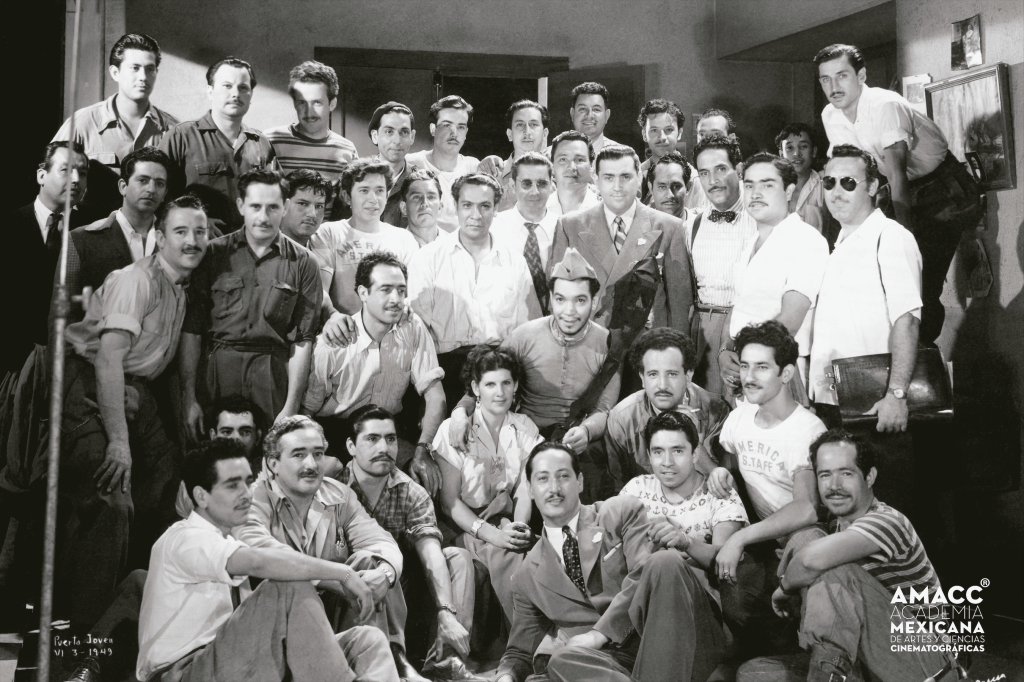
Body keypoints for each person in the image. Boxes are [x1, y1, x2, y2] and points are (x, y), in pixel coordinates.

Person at [58, 195, 208, 640]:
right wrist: (119, 442)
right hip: (88, 385)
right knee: (113, 497)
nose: (192, 240)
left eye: (200, 232)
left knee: (169, 486)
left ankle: (141, 610)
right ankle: (86, 633)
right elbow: (108, 361)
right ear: (159, 237)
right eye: (180, 231)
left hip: (136, 392)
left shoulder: (179, 286)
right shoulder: (135, 280)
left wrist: (186, 401)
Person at [137, 437, 398, 682]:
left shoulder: (226, 541)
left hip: (234, 659)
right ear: (201, 496)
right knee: (288, 585)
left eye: (247, 482)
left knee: (367, 642)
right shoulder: (184, 537)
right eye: (232, 485)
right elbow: (260, 562)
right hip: (184, 672)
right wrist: (343, 574)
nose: (246, 494)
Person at [493, 442, 725, 682]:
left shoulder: (620, 511)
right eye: (543, 479)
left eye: (563, 476)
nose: (554, 488)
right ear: (530, 489)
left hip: (670, 637)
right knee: (562, 660)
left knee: (664, 561)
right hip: (614, 664)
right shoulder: (525, 576)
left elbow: (645, 575)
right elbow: (519, 651)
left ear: (580, 481)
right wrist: (505, 677)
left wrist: (599, 634)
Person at [737, 429, 954, 682]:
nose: (834, 486)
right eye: (825, 475)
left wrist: (784, 589)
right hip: (866, 664)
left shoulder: (888, 522)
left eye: (846, 473)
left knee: (830, 566)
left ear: (869, 477)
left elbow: (810, 561)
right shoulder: (836, 527)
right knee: (752, 675)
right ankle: (834, 672)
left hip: (926, 665)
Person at [815, 43, 982, 346]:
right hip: (898, 190)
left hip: (942, 188)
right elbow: (852, 174)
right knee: (882, 280)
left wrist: (904, 243)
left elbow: (897, 176)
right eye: (825, 79)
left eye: (841, 76)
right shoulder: (831, 115)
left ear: (861, 76)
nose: (833, 86)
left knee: (919, 283)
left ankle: (921, 356)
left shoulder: (885, 106)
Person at [238, 416, 411, 680]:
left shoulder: (339, 494)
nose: (311, 464)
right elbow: (259, 551)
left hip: (333, 616)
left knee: (371, 561)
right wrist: (338, 576)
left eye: (317, 454)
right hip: (277, 627)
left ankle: (390, 661)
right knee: (296, 584)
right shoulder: (253, 498)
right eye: (298, 455)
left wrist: (385, 574)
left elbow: (381, 541)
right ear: (273, 464)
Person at [447, 248, 621, 502]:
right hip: (523, 438)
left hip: (579, 442)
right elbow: (487, 377)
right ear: (550, 299)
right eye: (560, 299)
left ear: (594, 302)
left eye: (580, 301)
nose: (569, 311)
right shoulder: (524, 336)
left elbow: (604, 410)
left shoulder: (609, 345)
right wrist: (459, 412)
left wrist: (586, 431)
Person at [339, 405, 486, 682]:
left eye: (390, 439)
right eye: (372, 439)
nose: (384, 448)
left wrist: (446, 612)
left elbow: (430, 553)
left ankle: (445, 663)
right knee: (371, 561)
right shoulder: (335, 486)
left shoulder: (411, 492)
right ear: (351, 446)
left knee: (456, 557)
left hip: (402, 589)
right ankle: (389, 664)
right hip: (350, 591)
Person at [707, 320, 827, 656]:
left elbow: (807, 509)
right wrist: (721, 472)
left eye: (761, 367)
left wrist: (740, 538)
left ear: (786, 373)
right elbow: (725, 462)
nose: (749, 377)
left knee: (805, 546)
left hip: (807, 534)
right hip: (764, 538)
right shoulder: (740, 418)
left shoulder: (806, 429)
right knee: (737, 601)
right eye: (745, 366)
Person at [181, 169, 321, 439]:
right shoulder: (212, 254)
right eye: (256, 206)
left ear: (285, 207)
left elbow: (303, 340)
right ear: (241, 206)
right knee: (213, 453)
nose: (263, 217)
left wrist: (291, 406)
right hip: (216, 373)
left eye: (272, 207)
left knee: (270, 453)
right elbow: (192, 330)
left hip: (271, 375)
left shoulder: (304, 263)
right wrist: (189, 397)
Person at [302, 250, 444, 494]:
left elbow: (436, 397)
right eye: (385, 289)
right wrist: (317, 454)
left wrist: (423, 450)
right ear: (363, 293)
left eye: (401, 290)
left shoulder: (412, 327)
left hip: (388, 432)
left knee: (426, 480)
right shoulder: (333, 341)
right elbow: (305, 412)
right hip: (337, 433)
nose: (396, 299)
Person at [808, 145, 922, 433]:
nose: (836, 192)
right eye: (829, 182)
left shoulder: (890, 237)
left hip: (874, 401)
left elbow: (907, 320)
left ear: (872, 187)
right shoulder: (837, 244)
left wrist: (896, 395)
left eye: (848, 183)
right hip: (831, 398)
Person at [431, 345, 542, 624]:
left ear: (515, 386)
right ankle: (524, 636)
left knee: (535, 551)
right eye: (490, 384)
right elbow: (449, 502)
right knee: (507, 555)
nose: (500, 392)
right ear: (475, 388)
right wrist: (493, 535)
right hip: (462, 525)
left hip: (505, 519)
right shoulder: (452, 429)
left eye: (506, 383)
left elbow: (524, 488)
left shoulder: (523, 427)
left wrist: (519, 526)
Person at [408, 173, 531, 410]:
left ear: (496, 209)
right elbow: (417, 332)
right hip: (443, 372)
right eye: (467, 205)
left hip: (498, 371)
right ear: (455, 206)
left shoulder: (515, 262)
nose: (476, 215)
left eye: (485, 206)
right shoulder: (427, 258)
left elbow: (526, 330)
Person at [719, 154, 829, 401]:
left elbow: (789, 322)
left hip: (782, 371)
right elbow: (739, 307)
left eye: (767, 185)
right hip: (744, 373)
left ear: (789, 191)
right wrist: (724, 350)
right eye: (749, 185)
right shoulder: (750, 244)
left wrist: (748, 363)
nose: (756, 194)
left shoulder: (807, 240)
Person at [549, 144, 692, 331]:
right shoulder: (569, 226)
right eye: (609, 177)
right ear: (596, 180)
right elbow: (557, 301)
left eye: (625, 177)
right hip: (588, 340)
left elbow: (680, 308)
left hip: (648, 343)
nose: (617, 187)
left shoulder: (669, 227)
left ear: (639, 177)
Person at [619, 411, 747, 608]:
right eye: (658, 452)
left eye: (677, 451)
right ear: (649, 456)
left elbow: (723, 563)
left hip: (696, 603)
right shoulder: (636, 489)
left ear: (694, 454)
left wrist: (685, 542)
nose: (667, 461)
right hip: (639, 596)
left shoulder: (719, 494)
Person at [53, 34, 178, 222]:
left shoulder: (173, 131)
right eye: (135, 68)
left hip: (152, 235)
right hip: (91, 233)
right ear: (115, 72)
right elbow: (52, 185)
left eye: (150, 69)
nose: (143, 77)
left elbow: (178, 195)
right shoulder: (82, 124)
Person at [605, 327, 731, 491]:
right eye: (653, 374)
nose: (662, 385)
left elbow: (725, 489)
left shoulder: (716, 411)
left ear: (688, 376)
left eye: (672, 374)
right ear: (642, 378)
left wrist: (694, 442)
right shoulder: (621, 419)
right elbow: (617, 492)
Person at [159, 56, 277, 231]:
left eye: (243, 87)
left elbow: (275, 196)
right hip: (199, 243)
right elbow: (159, 196)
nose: (235, 94)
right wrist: (195, 221)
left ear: (251, 95)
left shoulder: (261, 143)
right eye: (227, 86)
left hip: (251, 243)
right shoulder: (181, 137)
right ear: (210, 91)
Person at [58, 147, 173, 326]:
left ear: (165, 193)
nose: (151, 189)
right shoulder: (81, 240)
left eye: (159, 183)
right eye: (143, 180)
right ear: (123, 186)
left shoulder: (175, 242)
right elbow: (63, 316)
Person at [4, 141, 88, 374]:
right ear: (42, 175)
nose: (76, 179)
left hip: (76, 366)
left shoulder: (93, 231)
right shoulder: (9, 227)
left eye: (82, 173)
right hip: (14, 365)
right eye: (65, 170)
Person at [688, 133, 757, 396]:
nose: (712, 181)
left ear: (738, 170)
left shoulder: (759, 221)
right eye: (704, 173)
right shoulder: (692, 226)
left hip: (746, 328)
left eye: (720, 169)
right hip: (701, 332)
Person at [310, 158, 419, 319]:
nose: (373, 199)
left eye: (380, 190)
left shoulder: (404, 239)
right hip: (344, 328)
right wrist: (334, 317)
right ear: (347, 197)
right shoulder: (328, 233)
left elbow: (414, 292)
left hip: (392, 329)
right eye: (364, 190)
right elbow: (321, 292)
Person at [265, 60, 356, 219]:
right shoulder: (270, 140)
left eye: (317, 102)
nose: (309, 112)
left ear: (332, 104)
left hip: (324, 234)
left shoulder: (346, 150)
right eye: (302, 102)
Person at [489, 152, 557, 316]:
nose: (535, 191)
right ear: (513, 186)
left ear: (551, 186)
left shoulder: (564, 228)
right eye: (526, 184)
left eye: (542, 184)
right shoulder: (492, 229)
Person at [406, 96, 481, 233]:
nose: (454, 133)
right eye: (447, 125)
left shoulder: (474, 168)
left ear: (466, 133)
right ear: (433, 129)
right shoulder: (411, 164)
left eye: (461, 127)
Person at [637, 99, 707, 213]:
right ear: (644, 135)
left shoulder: (694, 180)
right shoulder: (636, 176)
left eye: (668, 130)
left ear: (679, 133)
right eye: (654, 130)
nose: (662, 137)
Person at [480, 99, 550, 211]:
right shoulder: (491, 175)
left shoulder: (557, 174)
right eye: (520, 125)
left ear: (545, 133)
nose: (527, 131)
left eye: (533, 124)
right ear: (510, 134)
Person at [369, 101, 418, 227]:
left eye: (404, 132)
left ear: (412, 137)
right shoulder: (357, 178)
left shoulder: (420, 183)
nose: (397, 141)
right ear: (375, 136)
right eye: (389, 131)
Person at [775, 123, 825, 231]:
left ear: (814, 152)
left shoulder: (824, 186)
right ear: (781, 154)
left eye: (803, 146)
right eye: (789, 148)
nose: (796, 154)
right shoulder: (772, 188)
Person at [547, 130, 601, 215]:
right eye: (563, 159)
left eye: (579, 160)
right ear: (552, 166)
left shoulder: (605, 209)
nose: (572, 167)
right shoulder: (538, 209)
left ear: (591, 165)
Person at [279, 169, 332, 248]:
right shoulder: (262, 249)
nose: (312, 214)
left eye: (319, 206)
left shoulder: (328, 249)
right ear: (283, 205)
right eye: (302, 204)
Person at [568, 81, 618, 155]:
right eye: (582, 109)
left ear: (607, 116)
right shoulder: (551, 156)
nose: (589, 116)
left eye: (596, 109)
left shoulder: (624, 157)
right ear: (572, 114)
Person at [399, 168, 444, 247]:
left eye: (431, 197)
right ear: (404, 208)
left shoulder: (458, 247)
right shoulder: (392, 249)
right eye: (416, 197)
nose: (424, 203)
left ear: (440, 207)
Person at [646, 151, 691, 221]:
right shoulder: (639, 225)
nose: (670, 195)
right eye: (662, 187)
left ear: (688, 187)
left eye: (676, 186)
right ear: (651, 188)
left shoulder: (702, 225)